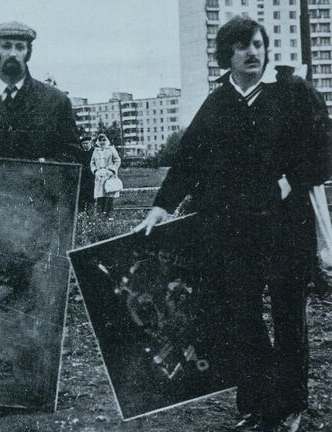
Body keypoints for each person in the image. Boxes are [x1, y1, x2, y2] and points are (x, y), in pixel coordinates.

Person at [134, 17, 332, 432]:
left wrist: (289, 180)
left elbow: (321, 151)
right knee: (242, 317)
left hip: (286, 231)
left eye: (258, 44)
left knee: (288, 317)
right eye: (242, 47)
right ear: (228, 55)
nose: (252, 53)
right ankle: (257, 405)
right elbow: (188, 161)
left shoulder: (290, 95)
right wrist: (160, 207)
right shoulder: (219, 103)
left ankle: (291, 405)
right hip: (235, 233)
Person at [0, 21, 78, 161]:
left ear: (28, 52)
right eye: (6, 46)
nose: (12, 53)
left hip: (38, 183)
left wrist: (46, 168)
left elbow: (72, 156)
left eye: (20, 47)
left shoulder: (56, 101)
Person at [90, 134, 121, 218]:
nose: (102, 142)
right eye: (100, 140)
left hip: (109, 174)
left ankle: (109, 215)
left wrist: (112, 170)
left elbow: (117, 160)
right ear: (98, 141)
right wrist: (95, 171)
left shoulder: (111, 149)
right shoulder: (96, 151)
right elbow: (92, 163)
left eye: (104, 140)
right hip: (99, 175)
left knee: (109, 195)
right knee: (100, 196)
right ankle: (100, 216)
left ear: (106, 140)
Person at [76, 136, 96, 212]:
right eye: (83, 144)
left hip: (93, 177)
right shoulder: (80, 153)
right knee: (83, 195)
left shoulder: (95, 152)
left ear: (91, 143)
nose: (85, 145)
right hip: (83, 178)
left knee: (92, 196)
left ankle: (91, 212)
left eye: (86, 143)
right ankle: (82, 213)